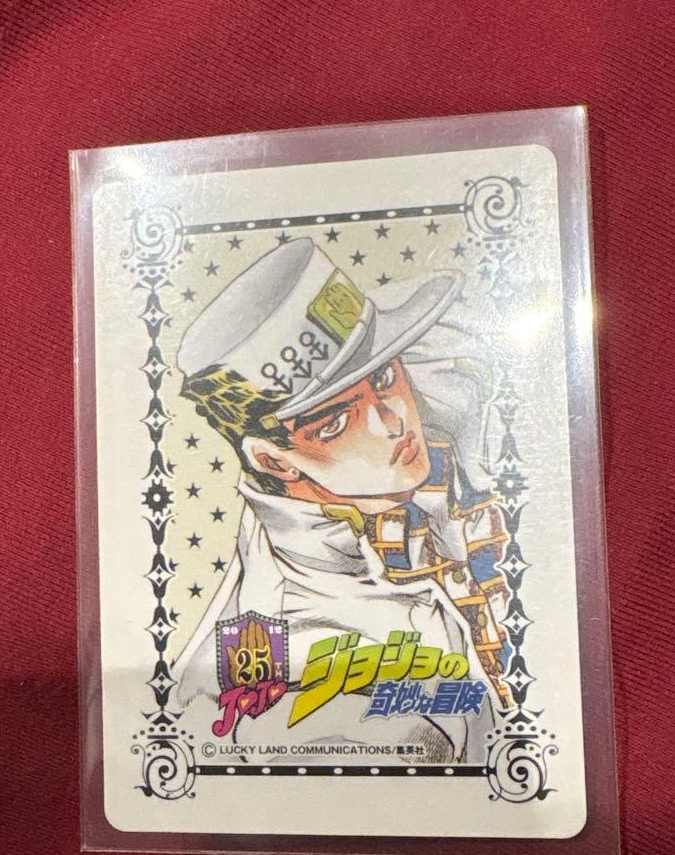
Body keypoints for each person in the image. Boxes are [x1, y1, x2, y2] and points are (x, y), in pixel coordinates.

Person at [172, 237, 514, 764]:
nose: (392, 421)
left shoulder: (442, 425)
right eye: (334, 424)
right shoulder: (303, 652)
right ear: (275, 462)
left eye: (385, 377)